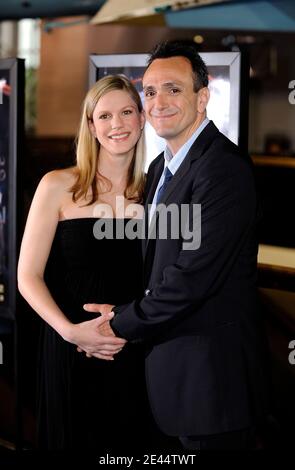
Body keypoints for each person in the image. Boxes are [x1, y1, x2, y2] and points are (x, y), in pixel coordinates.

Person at [83, 40, 270, 451]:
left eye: (174, 89)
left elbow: (191, 279)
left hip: (211, 389)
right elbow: (156, 266)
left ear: (202, 97)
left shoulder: (223, 168)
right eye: (149, 91)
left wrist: (115, 325)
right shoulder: (159, 167)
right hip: (171, 380)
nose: (158, 101)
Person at [17, 75, 159, 451]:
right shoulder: (58, 185)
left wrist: (131, 328)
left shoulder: (155, 193)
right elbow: (27, 276)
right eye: (105, 116)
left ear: (142, 119)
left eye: (127, 112)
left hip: (133, 347)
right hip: (69, 346)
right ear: (92, 126)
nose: (117, 124)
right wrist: (69, 331)